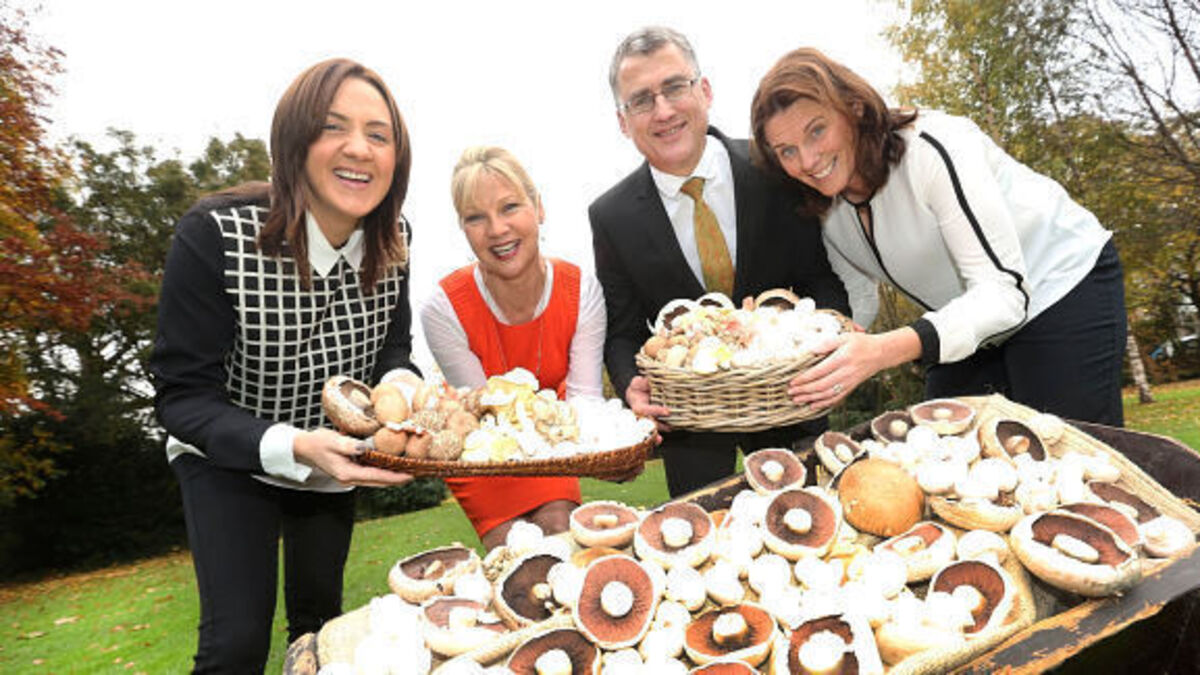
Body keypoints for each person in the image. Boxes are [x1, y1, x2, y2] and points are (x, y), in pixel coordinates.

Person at [148, 58, 419, 672]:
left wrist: (402, 389)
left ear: (397, 158)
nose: (359, 148)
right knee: (236, 644)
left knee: (320, 630)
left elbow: (392, 350)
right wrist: (294, 444)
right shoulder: (213, 234)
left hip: (332, 461)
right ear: (293, 142)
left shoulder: (396, 237)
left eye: (379, 135)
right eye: (333, 127)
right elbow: (182, 397)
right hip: (225, 456)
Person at [750, 47, 1126, 425]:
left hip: (1058, 287)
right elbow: (857, 297)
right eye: (787, 151)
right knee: (937, 440)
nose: (807, 161)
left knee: (1065, 446)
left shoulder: (931, 149)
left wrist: (882, 350)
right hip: (967, 321)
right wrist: (779, 337)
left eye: (817, 130)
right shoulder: (825, 205)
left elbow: (1004, 294)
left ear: (854, 109)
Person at [589, 27, 851, 498]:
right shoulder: (611, 216)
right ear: (623, 122)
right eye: (642, 100)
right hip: (690, 433)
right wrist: (629, 384)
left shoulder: (777, 167)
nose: (663, 111)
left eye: (674, 87)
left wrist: (836, 336)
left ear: (704, 91)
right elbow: (623, 331)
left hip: (793, 405)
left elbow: (819, 278)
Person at [421, 146, 607, 550]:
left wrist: (612, 452)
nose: (496, 229)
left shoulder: (581, 291)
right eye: (475, 218)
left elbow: (585, 401)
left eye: (509, 207)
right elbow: (486, 417)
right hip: (480, 445)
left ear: (538, 207)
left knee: (560, 529)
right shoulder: (443, 308)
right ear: (463, 228)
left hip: (552, 439)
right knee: (513, 551)